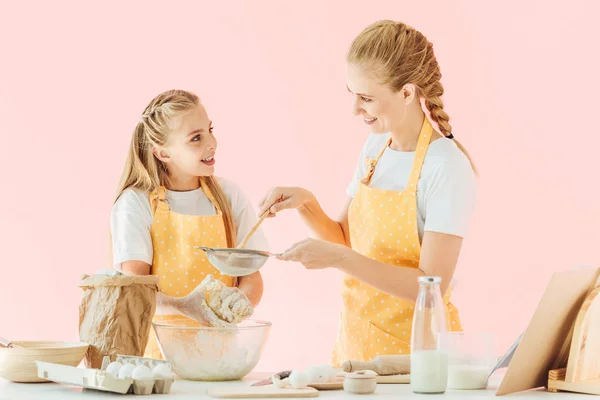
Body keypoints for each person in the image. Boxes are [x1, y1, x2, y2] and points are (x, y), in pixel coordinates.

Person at [259, 20, 477, 365]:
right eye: (352, 95)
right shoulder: (376, 148)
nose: (355, 110)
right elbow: (345, 239)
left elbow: (430, 286)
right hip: (357, 350)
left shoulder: (447, 167)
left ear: (407, 93)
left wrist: (338, 259)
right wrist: (305, 203)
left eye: (366, 98)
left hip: (416, 360)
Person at [110, 89, 267, 358]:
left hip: (218, 354)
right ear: (162, 153)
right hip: (156, 358)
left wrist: (240, 302)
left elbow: (251, 278)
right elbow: (135, 291)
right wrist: (183, 305)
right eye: (196, 138)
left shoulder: (229, 196)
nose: (212, 142)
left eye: (209, 129)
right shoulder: (136, 203)